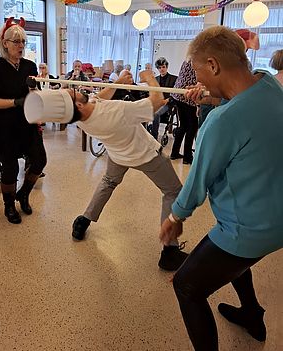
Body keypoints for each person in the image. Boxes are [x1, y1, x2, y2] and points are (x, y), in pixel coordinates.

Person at [159, 26, 283, 351]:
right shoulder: (270, 84)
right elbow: (244, 108)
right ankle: (252, 314)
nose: (197, 80)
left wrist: (175, 216)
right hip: (276, 218)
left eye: (198, 72)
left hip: (248, 228)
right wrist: (213, 95)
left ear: (213, 65)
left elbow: (198, 181)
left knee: (186, 286)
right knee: (231, 260)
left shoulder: (220, 122)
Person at [70, 70, 188, 271]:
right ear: (79, 104)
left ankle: (83, 221)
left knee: (108, 183)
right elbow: (157, 101)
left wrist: (119, 82)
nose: (74, 89)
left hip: (117, 155)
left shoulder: (81, 118)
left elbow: (97, 98)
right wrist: (150, 77)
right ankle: (170, 252)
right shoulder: (117, 111)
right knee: (173, 192)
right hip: (146, 155)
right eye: (71, 92)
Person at [0, 17, 47, 224]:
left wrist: (35, 94)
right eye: (16, 42)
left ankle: (24, 193)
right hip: (4, 127)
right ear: (5, 44)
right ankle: (9, 205)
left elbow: (34, 92)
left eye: (23, 42)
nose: (21, 46)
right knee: (10, 168)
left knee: (40, 160)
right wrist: (16, 102)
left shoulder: (29, 65)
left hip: (27, 123)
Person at [170, 60, 197, 164]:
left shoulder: (188, 59)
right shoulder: (198, 60)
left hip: (178, 94)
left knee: (183, 125)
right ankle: (187, 157)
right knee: (192, 127)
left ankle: (174, 153)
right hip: (187, 97)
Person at [150, 57, 177, 140]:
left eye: (163, 67)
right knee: (142, 110)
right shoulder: (155, 79)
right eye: (159, 67)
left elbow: (175, 94)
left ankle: (154, 138)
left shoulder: (174, 78)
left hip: (168, 103)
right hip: (157, 102)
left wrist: (167, 100)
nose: (162, 69)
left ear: (167, 67)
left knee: (156, 113)